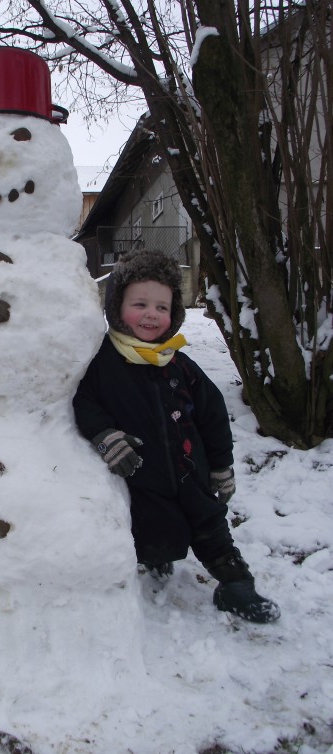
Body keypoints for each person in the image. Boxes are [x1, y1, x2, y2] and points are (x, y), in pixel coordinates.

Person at [73, 249, 280, 624]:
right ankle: (154, 558)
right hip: (142, 478)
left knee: (212, 527)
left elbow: (214, 416)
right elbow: (84, 404)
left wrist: (221, 467)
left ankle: (236, 582)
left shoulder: (178, 363)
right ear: (117, 306)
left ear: (174, 315)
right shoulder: (102, 362)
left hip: (191, 472)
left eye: (161, 307)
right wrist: (106, 437)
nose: (151, 314)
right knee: (154, 533)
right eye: (140, 304)